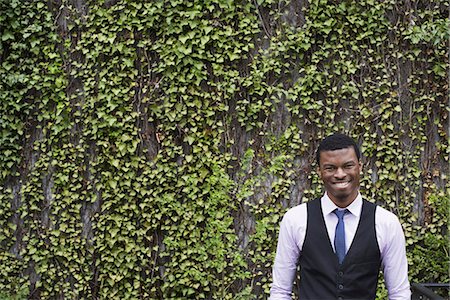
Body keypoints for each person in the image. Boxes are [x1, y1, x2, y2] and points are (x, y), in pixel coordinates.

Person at [269, 133, 410, 299]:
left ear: (360, 167)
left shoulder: (386, 222)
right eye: (330, 168)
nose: (340, 174)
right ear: (319, 171)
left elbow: (399, 293)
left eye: (348, 166)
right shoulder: (295, 219)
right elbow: (280, 291)